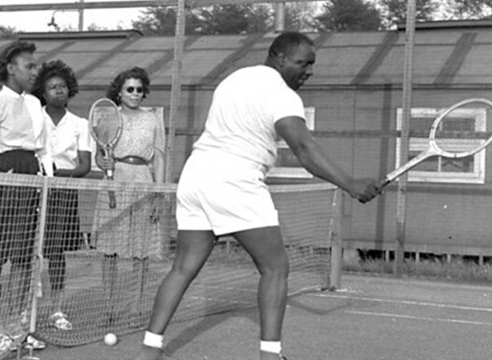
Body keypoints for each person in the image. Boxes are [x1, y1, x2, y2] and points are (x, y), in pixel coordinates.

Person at [133, 32, 380, 360]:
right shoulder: (282, 94)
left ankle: (150, 350)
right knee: (275, 268)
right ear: (279, 57)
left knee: (183, 268)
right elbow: (304, 149)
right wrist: (350, 183)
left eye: (312, 65)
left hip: (196, 176)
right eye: (302, 63)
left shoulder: (235, 78)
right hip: (236, 180)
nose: (308, 71)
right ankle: (270, 355)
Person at [0, 40, 51, 352]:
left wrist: (48, 182)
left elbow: (44, 150)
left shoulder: (35, 105)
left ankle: (16, 326)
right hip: (3, 177)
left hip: (31, 179)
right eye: (29, 66)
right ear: (10, 68)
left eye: (35, 66)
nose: (35, 72)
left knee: (23, 259)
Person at [93, 66, 166, 327]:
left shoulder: (153, 118)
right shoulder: (109, 119)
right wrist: (106, 164)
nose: (135, 94)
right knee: (109, 251)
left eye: (139, 89)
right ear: (120, 93)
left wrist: (159, 193)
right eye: (129, 89)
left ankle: (136, 308)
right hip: (114, 184)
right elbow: (99, 157)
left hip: (144, 183)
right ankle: (109, 307)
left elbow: (158, 157)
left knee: (142, 251)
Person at [31, 59, 92, 331]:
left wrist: (61, 175)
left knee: (55, 252)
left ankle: (56, 309)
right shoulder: (33, 117)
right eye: (52, 87)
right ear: (43, 93)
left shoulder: (80, 124)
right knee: (27, 251)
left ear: (70, 90)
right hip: (32, 190)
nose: (59, 91)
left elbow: (85, 166)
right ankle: (25, 309)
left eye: (63, 86)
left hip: (63, 194)